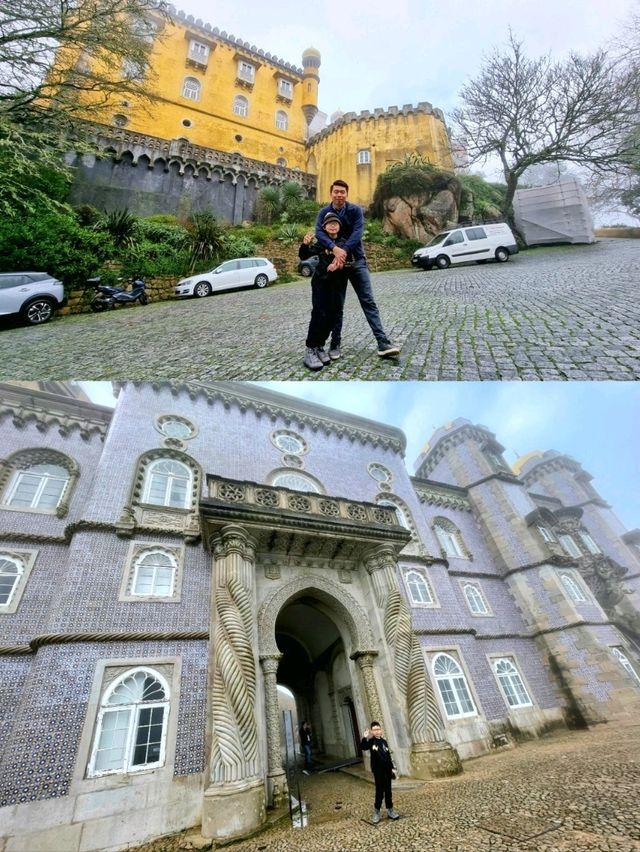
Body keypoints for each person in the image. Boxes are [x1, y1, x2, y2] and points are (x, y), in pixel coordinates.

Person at [315, 179, 400, 360]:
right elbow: (319, 232)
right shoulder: (324, 212)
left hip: (357, 262)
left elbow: (357, 233)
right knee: (336, 306)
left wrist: (342, 250)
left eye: (342, 192)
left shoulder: (355, 211)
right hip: (336, 266)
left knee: (368, 301)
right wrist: (334, 247)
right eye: (336, 191)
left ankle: (382, 342)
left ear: (347, 194)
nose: (339, 194)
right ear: (331, 193)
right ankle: (335, 344)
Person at [299, 211, 350, 371]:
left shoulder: (344, 243)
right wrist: (305, 244)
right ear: (324, 227)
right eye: (329, 223)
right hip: (321, 282)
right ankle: (310, 348)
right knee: (319, 314)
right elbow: (304, 256)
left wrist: (340, 265)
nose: (333, 225)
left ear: (339, 227)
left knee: (332, 316)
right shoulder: (322, 243)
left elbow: (351, 261)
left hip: (337, 284)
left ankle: (320, 346)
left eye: (336, 223)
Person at [360, 721, 400, 823]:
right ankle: (376, 812)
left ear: (381, 730)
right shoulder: (371, 741)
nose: (377, 732)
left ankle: (390, 810)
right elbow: (363, 747)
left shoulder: (384, 742)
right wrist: (364, 737)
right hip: (378, 771)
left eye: (378, 729)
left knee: (388, 791)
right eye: (374, 730)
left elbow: (388, 756)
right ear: (372, 731)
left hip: (387, 770)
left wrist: (392, 768)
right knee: (379, 792)